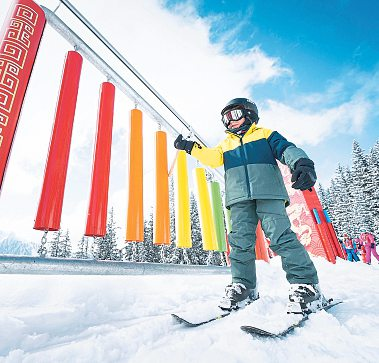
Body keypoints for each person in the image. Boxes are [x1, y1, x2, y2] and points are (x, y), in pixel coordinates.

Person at [174, 97, 327, 315]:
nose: (229, 122)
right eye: (225, 118)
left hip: (268, 192)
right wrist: (189, 147)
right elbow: (211, 157)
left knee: (280, 236)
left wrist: (301, 162)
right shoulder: (225, 145)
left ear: (249, 114)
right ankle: (244, 286)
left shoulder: (265, 134)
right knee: (239, 242)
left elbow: (286, 149)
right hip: (238, 198)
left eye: (234, 115)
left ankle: (307, 285)